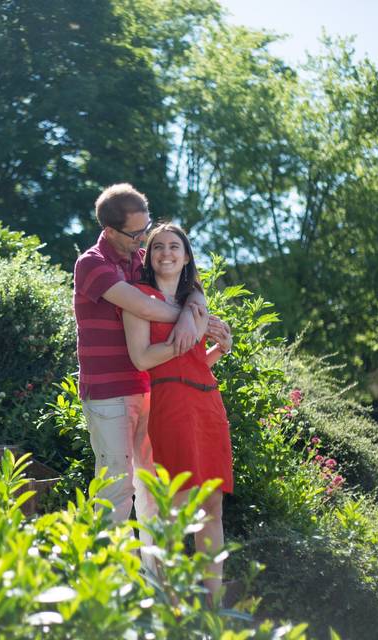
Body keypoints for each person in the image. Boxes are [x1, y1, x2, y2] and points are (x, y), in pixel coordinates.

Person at [72, 184, 230, 554]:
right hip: (110, 395)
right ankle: (105, 589)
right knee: (116, 489)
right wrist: (196, 322)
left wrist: (197, 307)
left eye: (146, 229)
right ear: (110, 231)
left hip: (150, 390)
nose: (144, 238)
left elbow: (190, 283)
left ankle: (156, 588)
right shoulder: (93, 263)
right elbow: (143, 306)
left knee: (154, 492)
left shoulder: (138, 257)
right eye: (136, 232)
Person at [121, 223, 234, 601]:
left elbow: (194, 363)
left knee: (213, 503)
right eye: (158, 248)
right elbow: (143, 359)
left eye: (174, 247)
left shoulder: (194, 299)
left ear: (186, 257)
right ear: (149, 259)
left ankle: (214, 602)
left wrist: (220, 347)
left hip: (207, 405)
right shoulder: (139, 297)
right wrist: (185, 333)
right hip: (169, 405)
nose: (166, 253)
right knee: (176, 504)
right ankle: (169, 601)